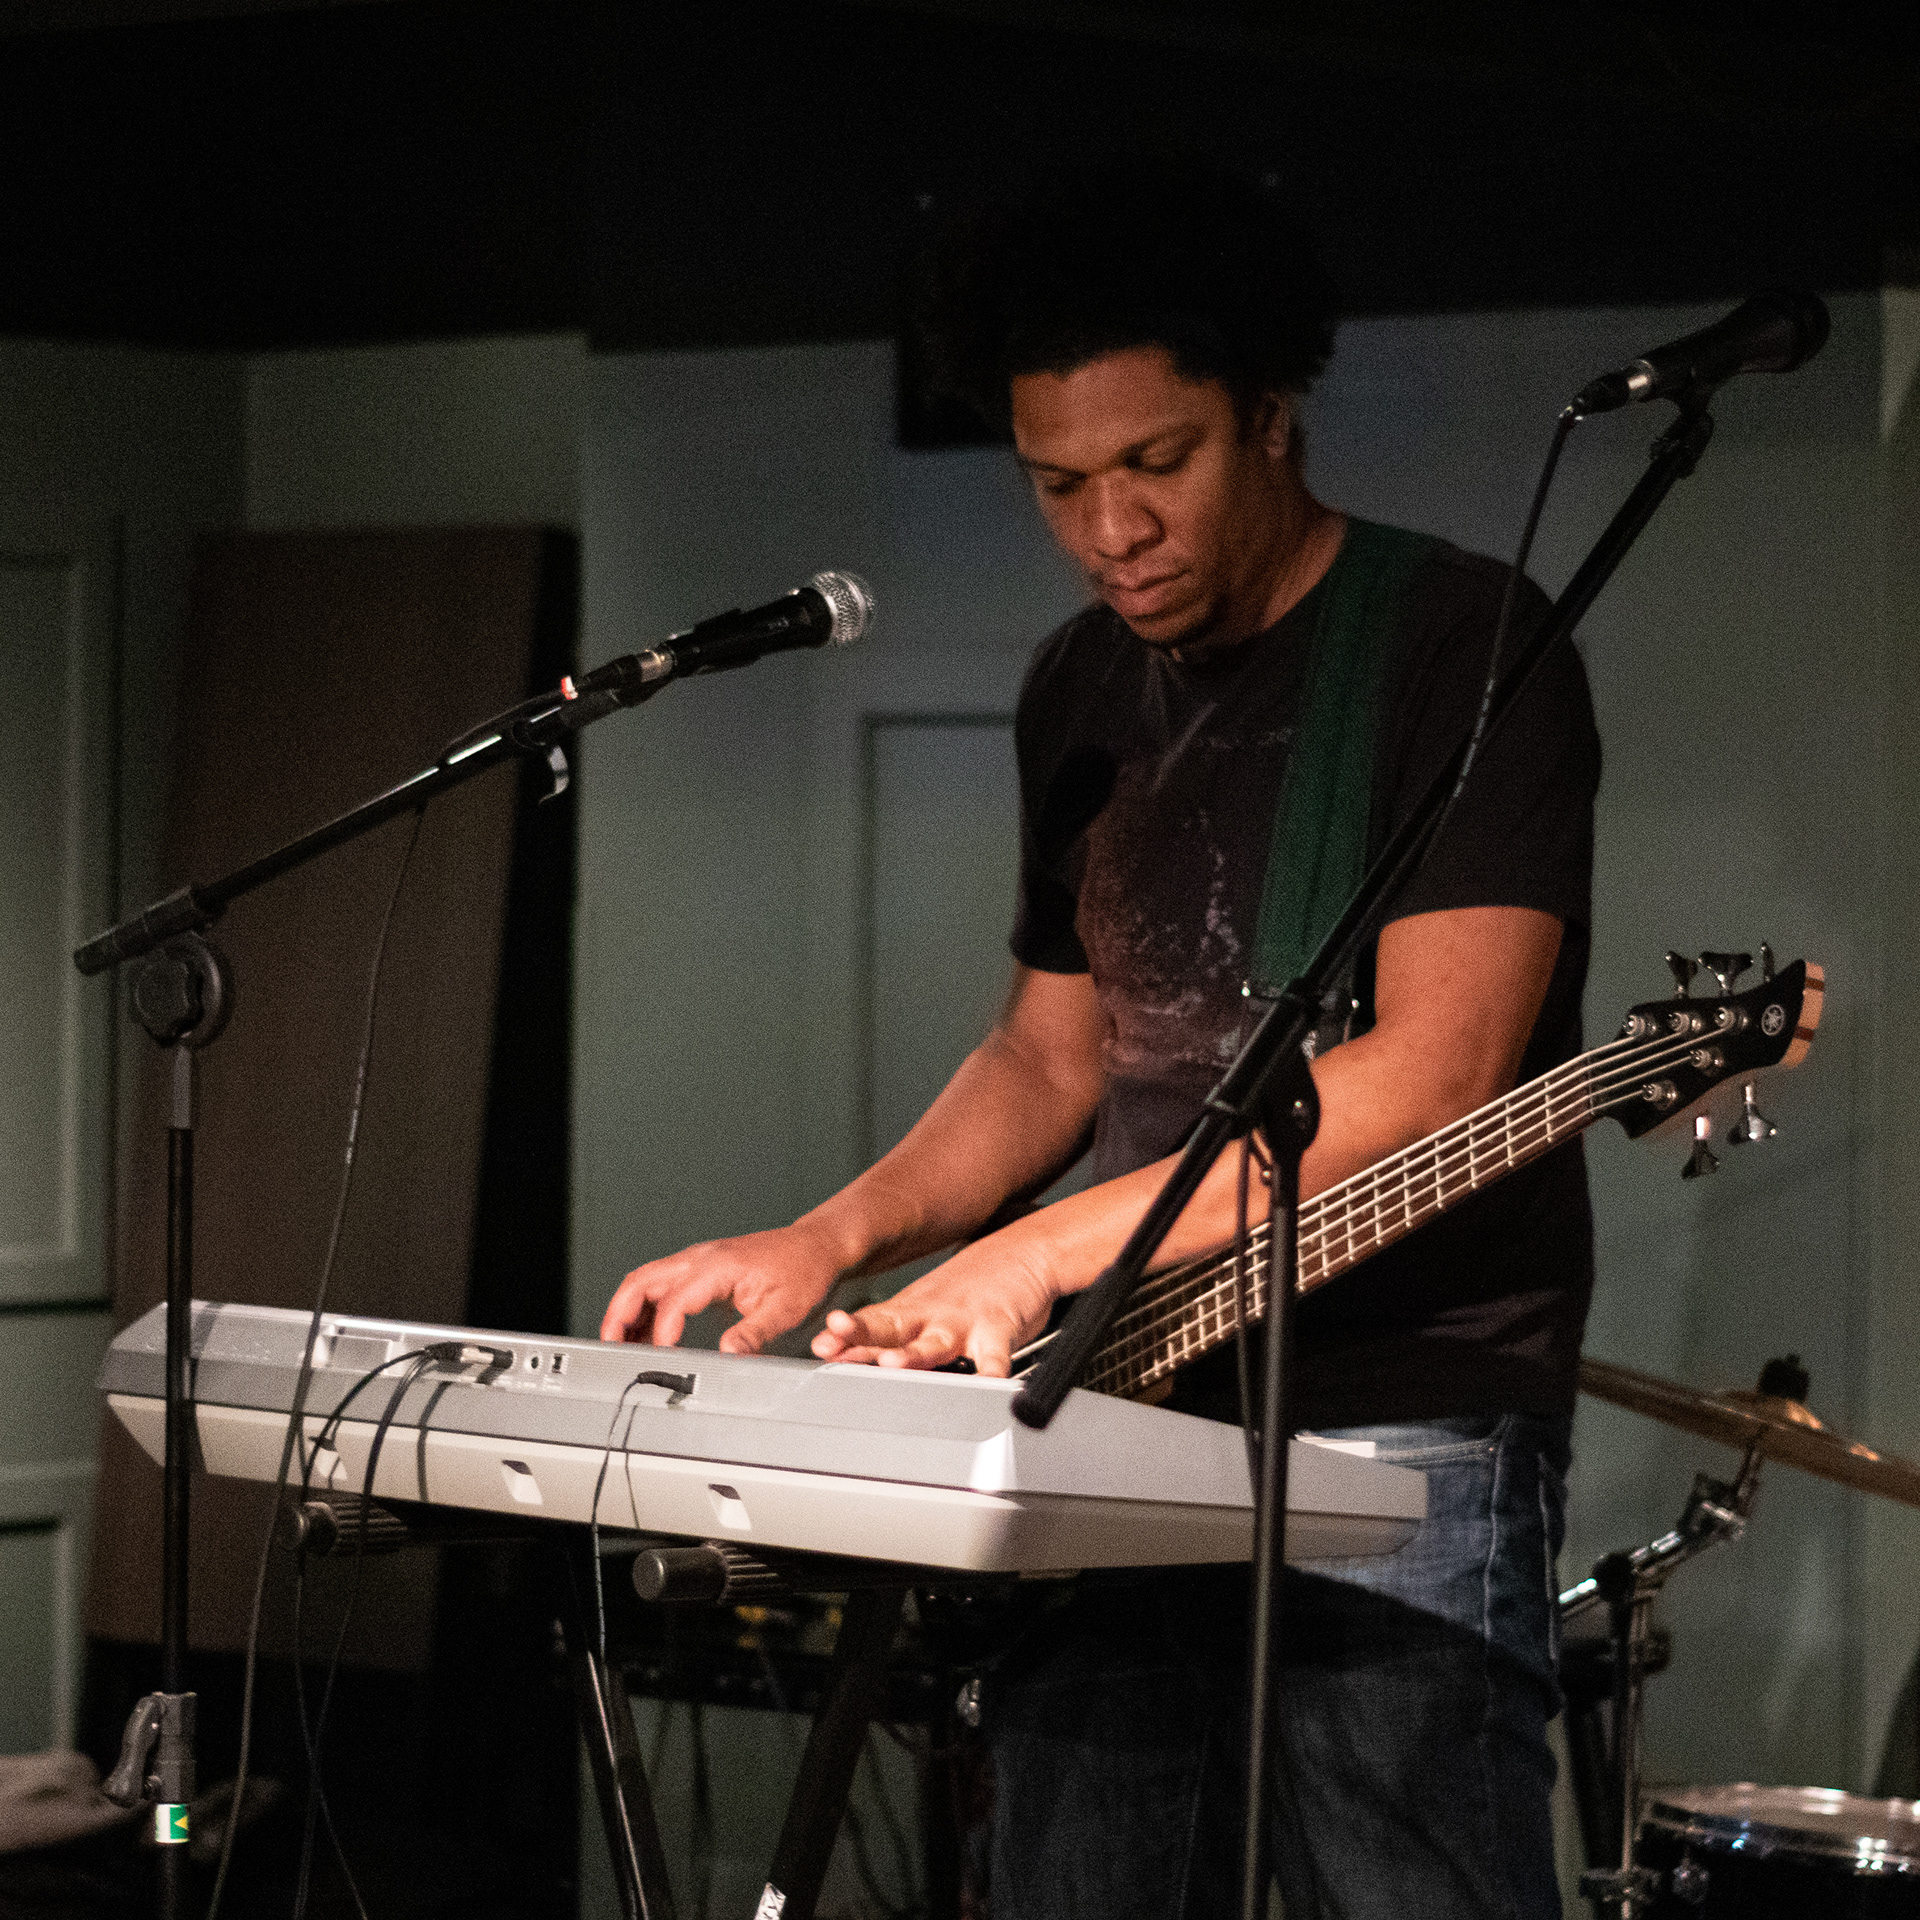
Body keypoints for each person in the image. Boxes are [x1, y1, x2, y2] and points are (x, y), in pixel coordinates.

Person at [602, 161, 1601, 1919]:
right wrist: (833, 1236)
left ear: (1271, 418)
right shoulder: (1078, 683)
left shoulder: (1455, 642)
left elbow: (1435, 1071)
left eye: (1158, 464)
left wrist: (1032, 1255)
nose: (1110, 528)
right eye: (1059, 484)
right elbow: (1048, 1060)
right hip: (1132, 1381)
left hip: (1400, 1405)